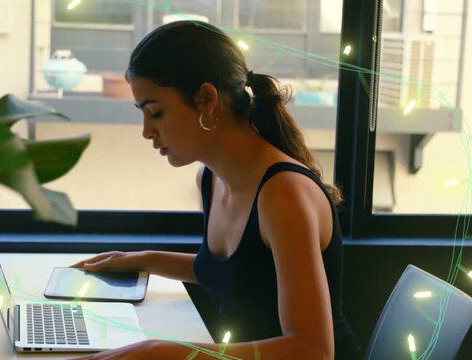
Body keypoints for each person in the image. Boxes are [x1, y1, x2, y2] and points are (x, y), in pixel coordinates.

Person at [71, 20, 361, 360]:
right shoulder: (210, 179)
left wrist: (159, 353)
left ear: (207, 99)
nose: (147, 131)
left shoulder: (284, 195)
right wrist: (139, 260)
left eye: (156, 113)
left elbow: (311, 350)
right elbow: (232, 272)